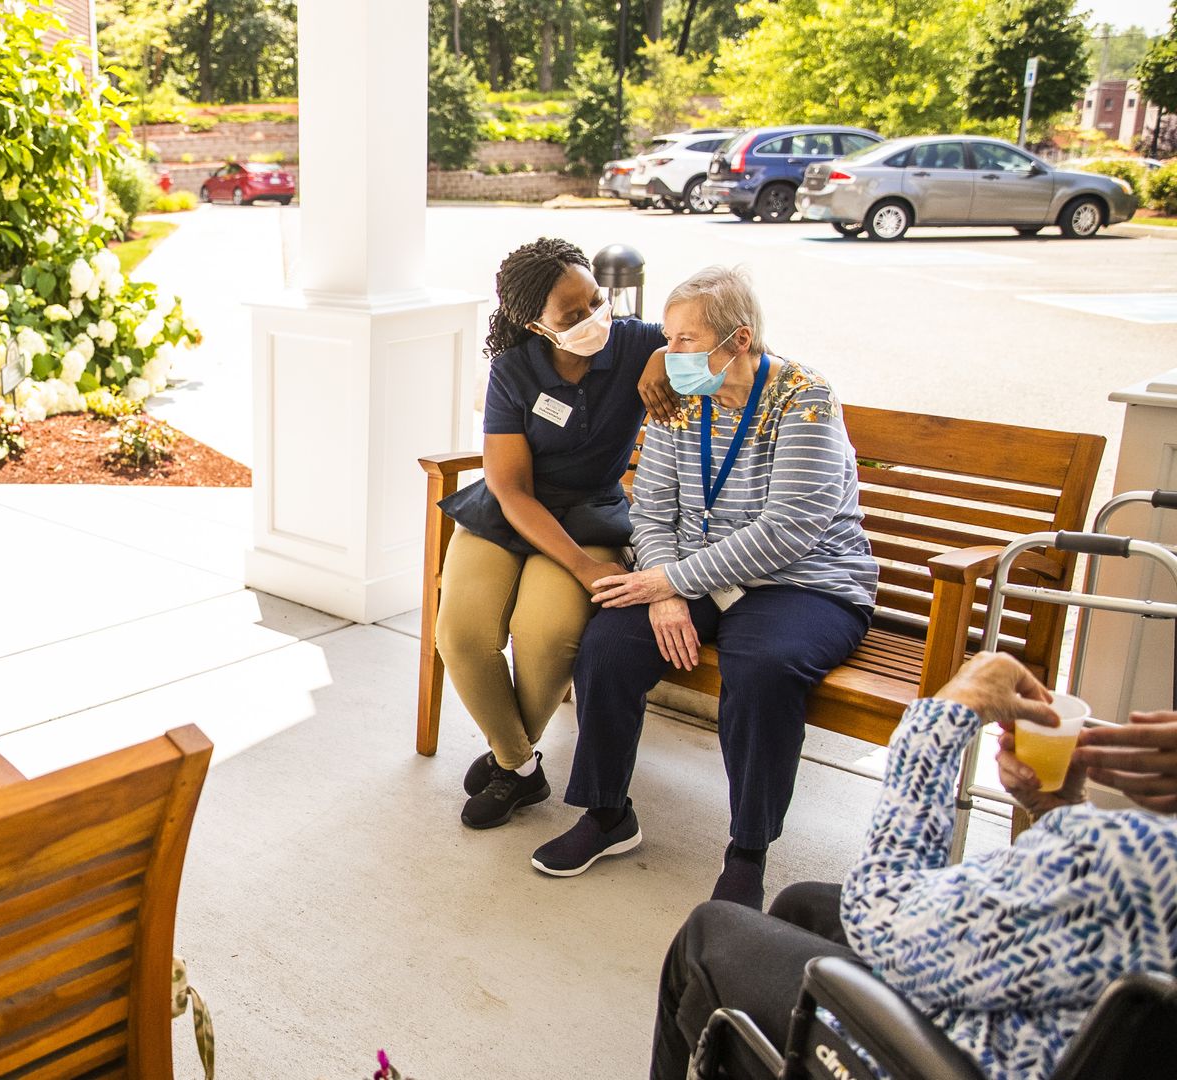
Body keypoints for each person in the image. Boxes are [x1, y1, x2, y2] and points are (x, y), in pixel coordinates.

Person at [649, 651, 1177, 1080]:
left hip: (954, 1056)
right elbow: (1088, 930)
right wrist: (1057, 811)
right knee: (801, 906)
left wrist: (950, 711)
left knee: (706, 932)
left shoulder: (1136, 862)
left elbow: (883, 905)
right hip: (1065, 1034)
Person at [530, 265, 877, 906]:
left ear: (738, 340)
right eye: (669, 338)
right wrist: (663, 593)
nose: (669, 354)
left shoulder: (806, 399)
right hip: (688, 571)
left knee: (763, 669)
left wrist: (668, 580)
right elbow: (653, 508)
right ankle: (607, 815)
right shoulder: (678, 396)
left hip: (802, 582)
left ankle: (748, 850)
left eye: (685, 340)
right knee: (608, 643)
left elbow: (789, 530)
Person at [435, 238, 675, 830]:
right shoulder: (514, 370)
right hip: (510, 512)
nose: (594, 319)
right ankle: (518, 765)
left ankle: (504, 759)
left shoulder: (637, 343)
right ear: (534, 324)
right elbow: (512, 487)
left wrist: (664, 355)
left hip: (591, 513)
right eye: (572, 316)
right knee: (461, 634)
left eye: (596, 301)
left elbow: (721, 339)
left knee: (549, 634)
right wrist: (583, 566)